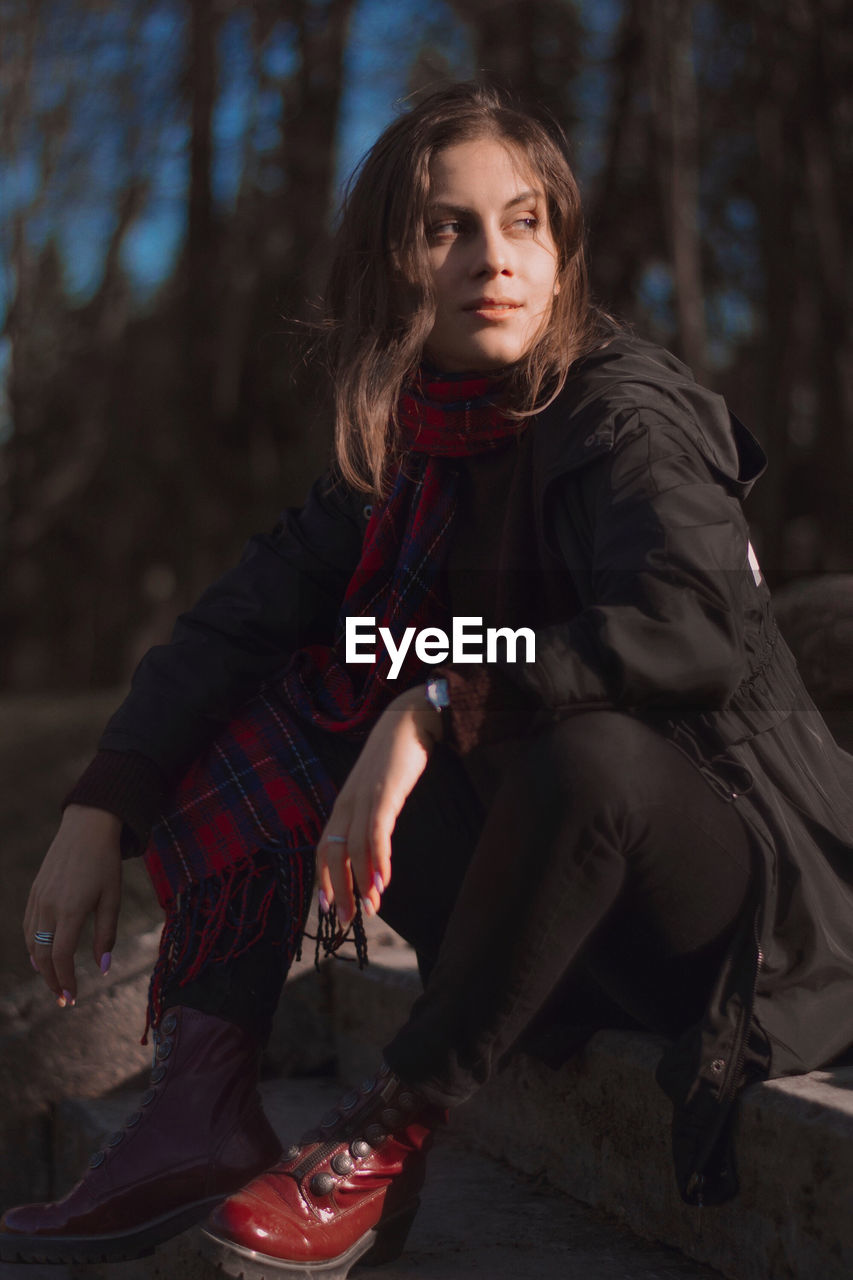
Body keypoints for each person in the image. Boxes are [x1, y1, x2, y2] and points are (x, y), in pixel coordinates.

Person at [2, 80, 853, 1277]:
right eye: (446, 226)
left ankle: (389, 1132)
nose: (492, 259)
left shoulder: (625, 416)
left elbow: (688, 630)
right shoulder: (409, 449)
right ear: (390, 264)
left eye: (524, 222)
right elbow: (228, 626)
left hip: (738, 918)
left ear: (561, 252)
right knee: (303, 670)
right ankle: (199, 1100)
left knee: (579, 746)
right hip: (545, 912)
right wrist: (102, 804)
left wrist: (442, 694)